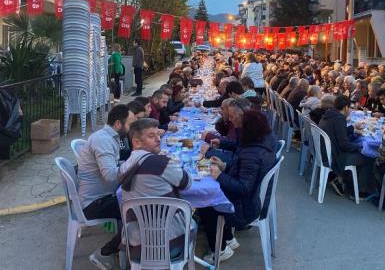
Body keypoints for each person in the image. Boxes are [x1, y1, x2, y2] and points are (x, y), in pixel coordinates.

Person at [198, 109, 277, 264]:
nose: (238, 129)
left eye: (241, 127)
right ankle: (228, 239)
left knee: (206, 202)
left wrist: (219, 175)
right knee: (211, 194)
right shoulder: (260, 144)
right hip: (251, 200)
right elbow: (245, 174)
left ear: (248, 129)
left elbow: (243, 188)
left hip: (244, 208)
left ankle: (219, 250)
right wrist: (225, 166)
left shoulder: (252, 153)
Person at [119, 118, 194, 261]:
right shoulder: (160, 163)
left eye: (158, 135)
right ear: (136, 142)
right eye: (151, 136)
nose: (158, 140)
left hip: (137, 245)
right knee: (194, 220)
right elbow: (187, 183)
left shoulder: (123, 167)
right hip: (171, 244)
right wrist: (171, 164)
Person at [77, 105, 137, 269]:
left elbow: (115, 166)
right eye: (131, 124)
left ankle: (130, 251)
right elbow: (110, 175)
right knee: (139, 212)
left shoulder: (109, 137)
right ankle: (105, 253)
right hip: (94, 203)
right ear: (118, 123)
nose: (133, 128)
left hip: (103, 195)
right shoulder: (103, 140)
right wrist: (135, 164)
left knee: (141, 206)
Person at [318, 95, 374, 199]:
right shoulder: (339, 119)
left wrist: (352, 128)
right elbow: (344, 145)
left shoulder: (329, 114)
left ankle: (346, 180)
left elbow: (338, 132)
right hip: (334, 156)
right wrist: (360, 146)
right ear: (346, 108)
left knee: (361, 149)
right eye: (350, 108)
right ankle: (359, 191)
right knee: (368, 156)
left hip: (324, 151)